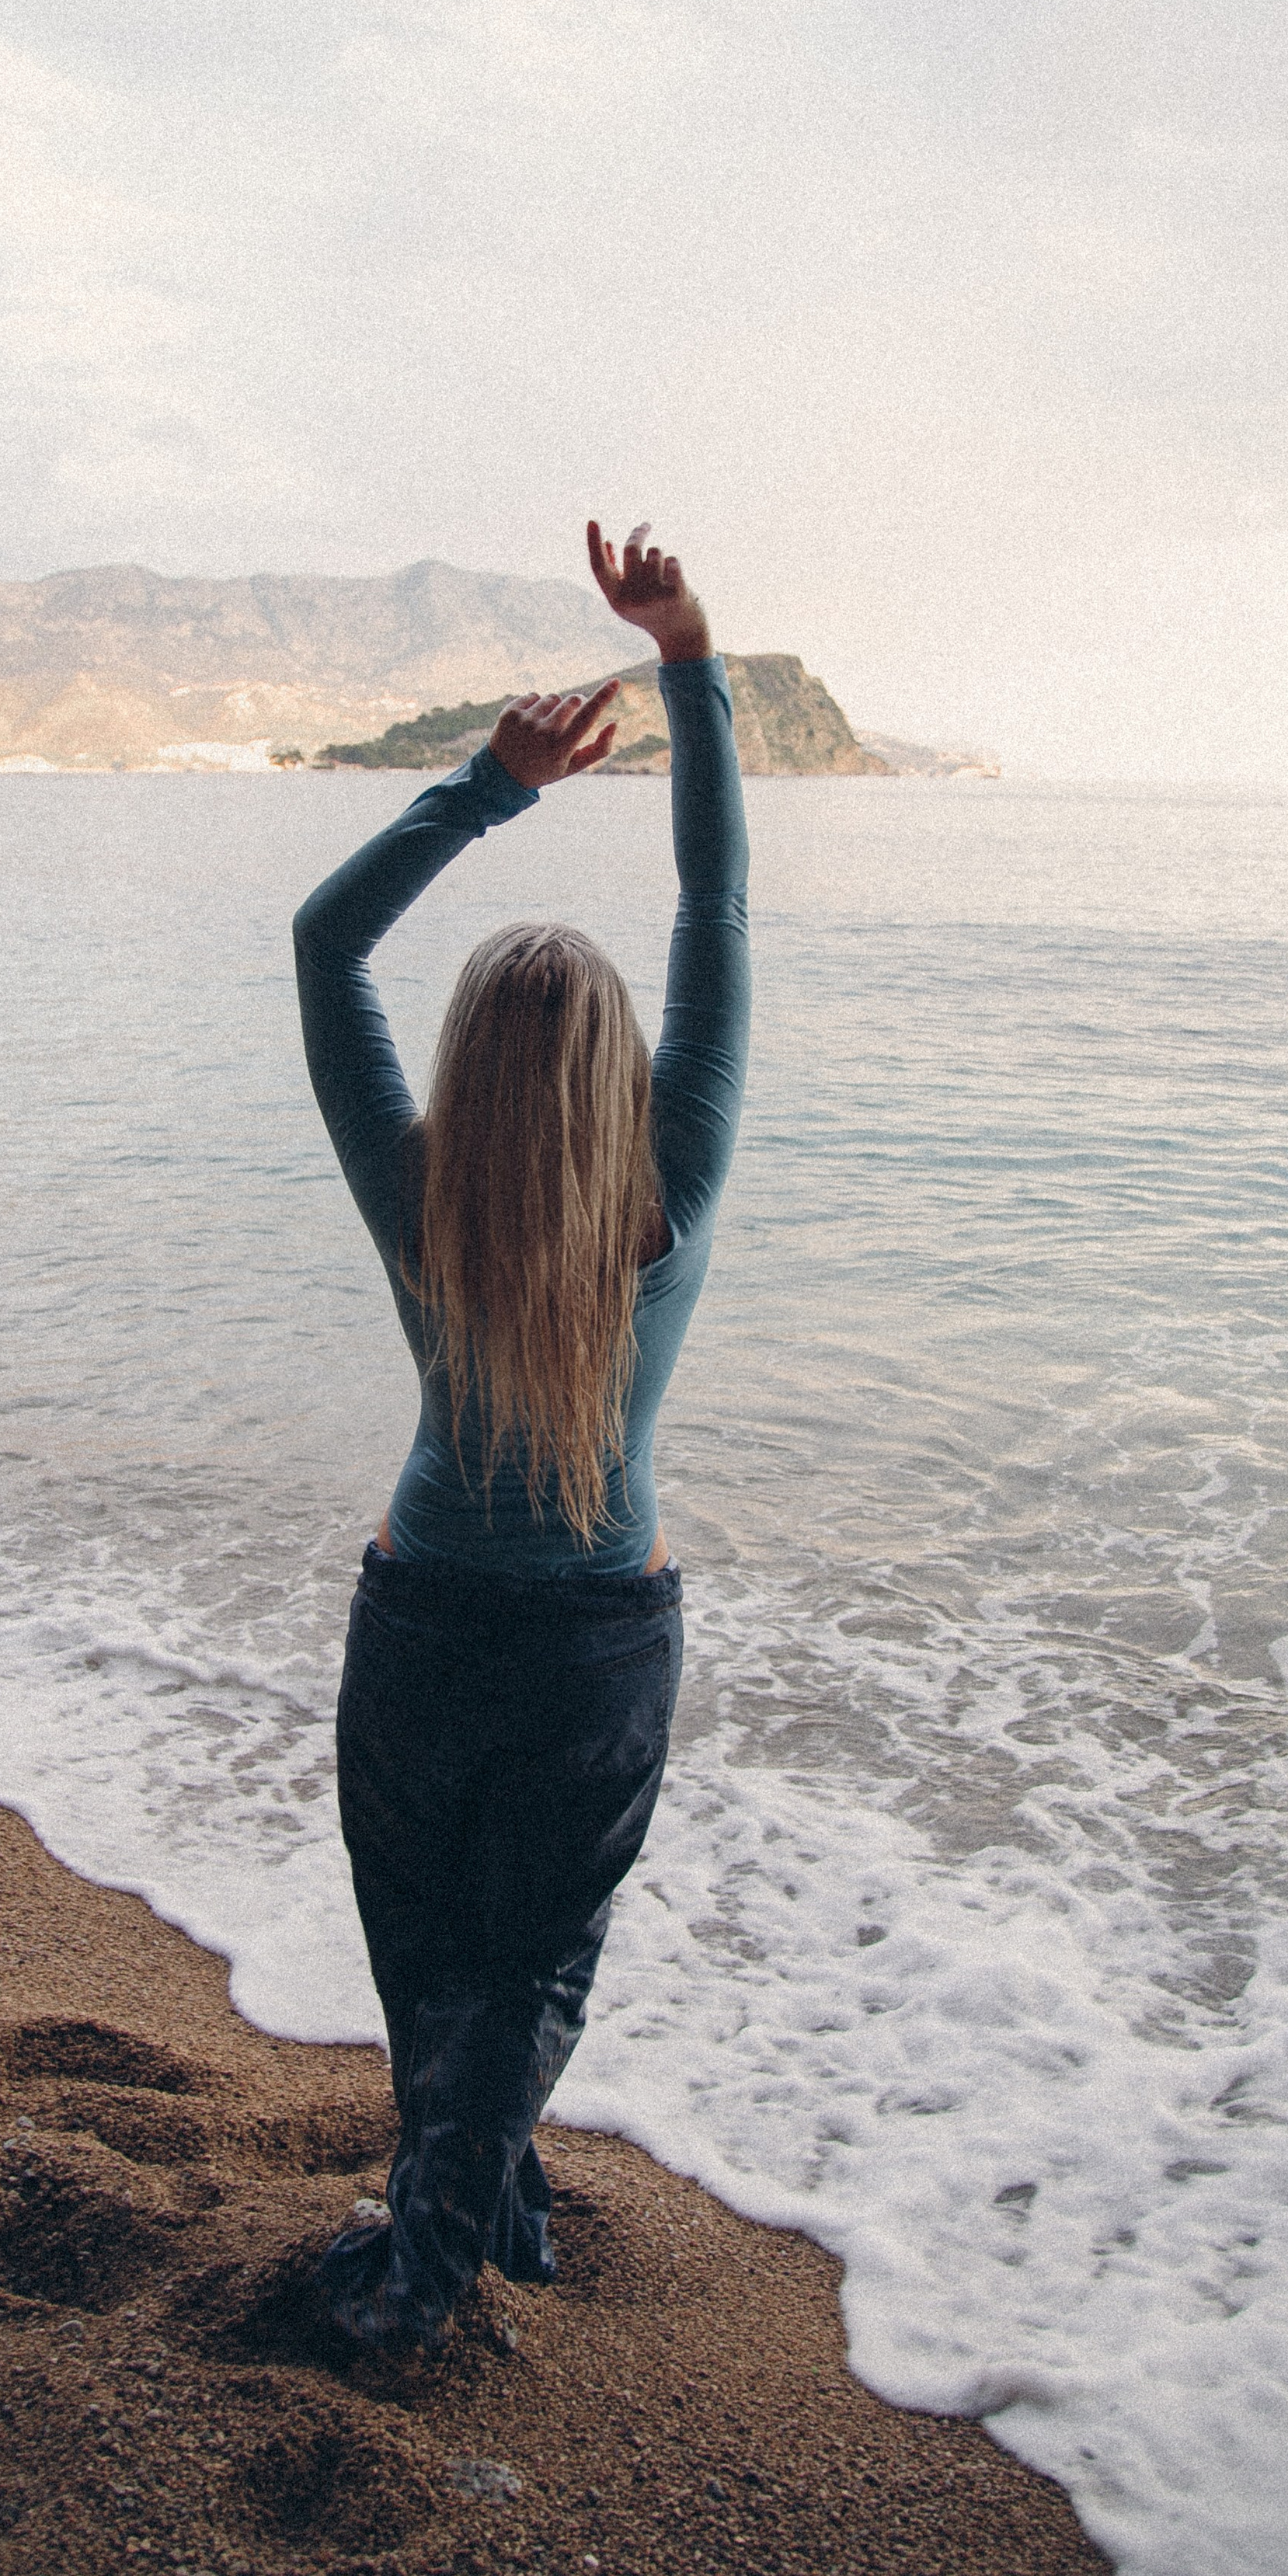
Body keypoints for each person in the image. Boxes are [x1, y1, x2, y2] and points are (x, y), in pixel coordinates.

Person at [291, 518, 750, 2348]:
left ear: (473, 1065)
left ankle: (439, 2224)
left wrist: (488, 790)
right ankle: (471, 2200)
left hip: (422, 1619)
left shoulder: (419, 1195)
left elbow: (329, 950)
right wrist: (691, 655)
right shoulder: (677, 1173)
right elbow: (715, 912)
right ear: (619, 1068)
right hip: (597, 1640)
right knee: (539, 1947)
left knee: (427, 1945)